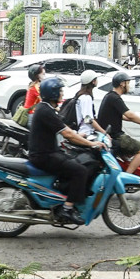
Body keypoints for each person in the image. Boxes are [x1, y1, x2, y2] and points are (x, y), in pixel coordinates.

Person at [27, 76, 105, 225]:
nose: (62, 93)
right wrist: (91, 144)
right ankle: (67, 209)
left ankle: (64, 198)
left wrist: (79, 136)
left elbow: (64, 128)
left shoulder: (46, 108)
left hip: (47, 152)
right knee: (80, 171)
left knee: (75, 162)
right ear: (53, 93)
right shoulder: (45, 111)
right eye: (60, 91)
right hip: (44, 156)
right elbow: (67, 133)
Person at [96, 71, 140, 174]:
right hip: (115, 136)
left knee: (129, 156)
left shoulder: (110, 96)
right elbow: (129, 114)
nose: (129, 86)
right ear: (122, 84)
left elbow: (123, 116)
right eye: (128, 83)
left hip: (111, 135)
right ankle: (127, 178)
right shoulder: (115, 98)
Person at [72, 70, 106, 138]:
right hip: (85, 133)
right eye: (96, 79)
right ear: (93, 81)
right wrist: (104, 132)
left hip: (84, 133)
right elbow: (88, 119)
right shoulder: (86, 98)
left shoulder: (80, 95)